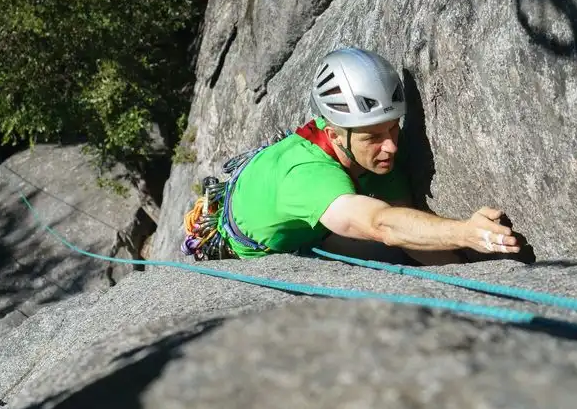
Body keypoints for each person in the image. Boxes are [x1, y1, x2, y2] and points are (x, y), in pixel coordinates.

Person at [181, 47, 522, 265]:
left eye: (394, 129)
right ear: (333, 135)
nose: (391, 146)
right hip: (245, 243)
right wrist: (466, 233)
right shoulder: (309, 178)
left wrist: (467, 270)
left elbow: (404, 225)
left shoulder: (368, 152)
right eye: (373, 136)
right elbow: (383, 225)